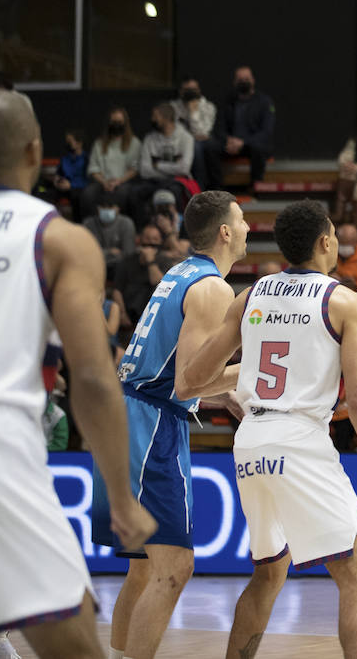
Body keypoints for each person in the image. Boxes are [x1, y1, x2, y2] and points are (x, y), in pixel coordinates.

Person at [186, 200, 357, 655]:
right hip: (300, 441)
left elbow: (193, 378)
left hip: (250, 441)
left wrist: (245, 380)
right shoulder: (346, 302)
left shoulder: (252, 294)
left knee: (269, 571)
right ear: (327, 241)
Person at [0, 89, 157, 656]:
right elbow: (90, 378)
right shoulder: (58, 239)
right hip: (1, 448)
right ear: (36, 150)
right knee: (77, 643)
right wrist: (120, 497)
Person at [91, 191, 250, 659]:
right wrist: (251, 368)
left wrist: (225, 395)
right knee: (174, 567)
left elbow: (172, 368)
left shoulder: (179, 273)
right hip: (150, 424)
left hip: (129, 414)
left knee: (144, 569)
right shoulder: (214, 289)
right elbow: (184, 383)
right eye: (240, 221)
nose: (245, 228)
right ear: (224, 232)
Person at [204, 65, 275, 188]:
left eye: (246, 79)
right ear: (234, 82)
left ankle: (256, 187)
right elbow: (219, 127)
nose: (244, 83)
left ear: (253, 80)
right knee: (210, 147)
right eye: (240, 80)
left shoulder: (264, 102)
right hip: (230, 144)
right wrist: (228, 140)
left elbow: (266, 131)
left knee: (258, 147)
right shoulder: (228, 101)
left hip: (251, 145)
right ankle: (217, 189)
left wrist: (243, 142)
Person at [129, 102, 193, 223]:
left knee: (175, 192)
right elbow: (144, 170)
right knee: (135, 192)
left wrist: (157, 165)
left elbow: (184, 168)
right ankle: (142, 229)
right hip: (153, 181)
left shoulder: (186, 138)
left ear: (166, 118)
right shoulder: (149, 139)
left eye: (155, 116)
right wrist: (173, 168)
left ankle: (179, 230)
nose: (152, 119)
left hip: (176, 182)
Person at [82, 105, 141, 214]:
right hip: (102, 182)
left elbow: (135, 169)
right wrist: (104, 182)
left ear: (125, 123)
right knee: (88, 194)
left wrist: (118, 181)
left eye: (119, 121)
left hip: (124, 182)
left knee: (123, 194)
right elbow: (93, 169)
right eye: (113, 122)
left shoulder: (134, 143)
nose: (116, 125)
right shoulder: (99, 144)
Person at [170, 77, 216, 186]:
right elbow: (175, 131)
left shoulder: (208, 107)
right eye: (187, 90)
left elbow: (202, 133)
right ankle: (196, 187)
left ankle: (204, 186)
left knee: (201, 146)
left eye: (193, 89)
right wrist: (192, 136)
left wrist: (192, 112)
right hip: (180, 141)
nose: (191, 93)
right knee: (194, 145)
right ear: (181, 91)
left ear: (199, 90)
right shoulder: (173, 107)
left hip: (203, 142)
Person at [84, 197, 136, 279]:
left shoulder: (126, 223)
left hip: (118, 266)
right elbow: (86, 253)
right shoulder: (88, 223)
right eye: (103, 207)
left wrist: (101, 253)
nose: (107, 210)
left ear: (118, 208)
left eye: (110, 207)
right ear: (97, 208)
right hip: (94, 265)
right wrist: (110, 252)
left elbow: (128, 254)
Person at [49, 128, 88, 218]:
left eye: (70, 141)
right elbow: (59, 173)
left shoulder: (86, 159)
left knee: (77, 196)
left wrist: (71, 185)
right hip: (62, 187)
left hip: (78, 189)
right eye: (67, 141)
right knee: (45, 192)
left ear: (79, 143)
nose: (67, 144)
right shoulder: (65, 158)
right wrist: (57, 181)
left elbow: (88, 180)